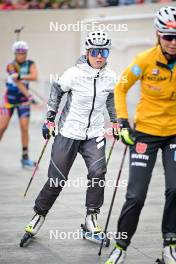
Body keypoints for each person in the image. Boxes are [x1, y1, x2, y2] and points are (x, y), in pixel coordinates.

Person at [22, 31, 119, 239]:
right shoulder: (73, 74)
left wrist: (116, 121)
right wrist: (50, 119)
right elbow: (57, 91)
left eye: (104, 52)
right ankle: (39, 215)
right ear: (87, 52)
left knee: (98, 174)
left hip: (94, 134)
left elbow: (111, 99)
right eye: (95, 52)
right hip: (68, 133)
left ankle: (91, 219)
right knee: (57, 180)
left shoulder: (110, 76)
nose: (99, 56)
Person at [105, 6, 176, 264]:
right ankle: (121, 246)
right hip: (145, 134)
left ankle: (170, 245)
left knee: (175, 189)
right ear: (158, 35)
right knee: (136, 195)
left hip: (174, 136)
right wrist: (122, 121)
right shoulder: (144, 60)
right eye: (168, 36)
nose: (173, 42)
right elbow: (120, 88)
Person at [0, 41, 38, 168]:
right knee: (2, 127)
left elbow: (34, 76)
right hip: (9, 101)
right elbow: (17, 82)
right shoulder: (11, 65)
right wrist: (29, 95)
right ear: (15, 53)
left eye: (23, 53)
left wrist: (21, 75)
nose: (21, 55)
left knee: (24, 128)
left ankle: (25, 157)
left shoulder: (30, 64)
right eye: (19, 53)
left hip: (23, 102)